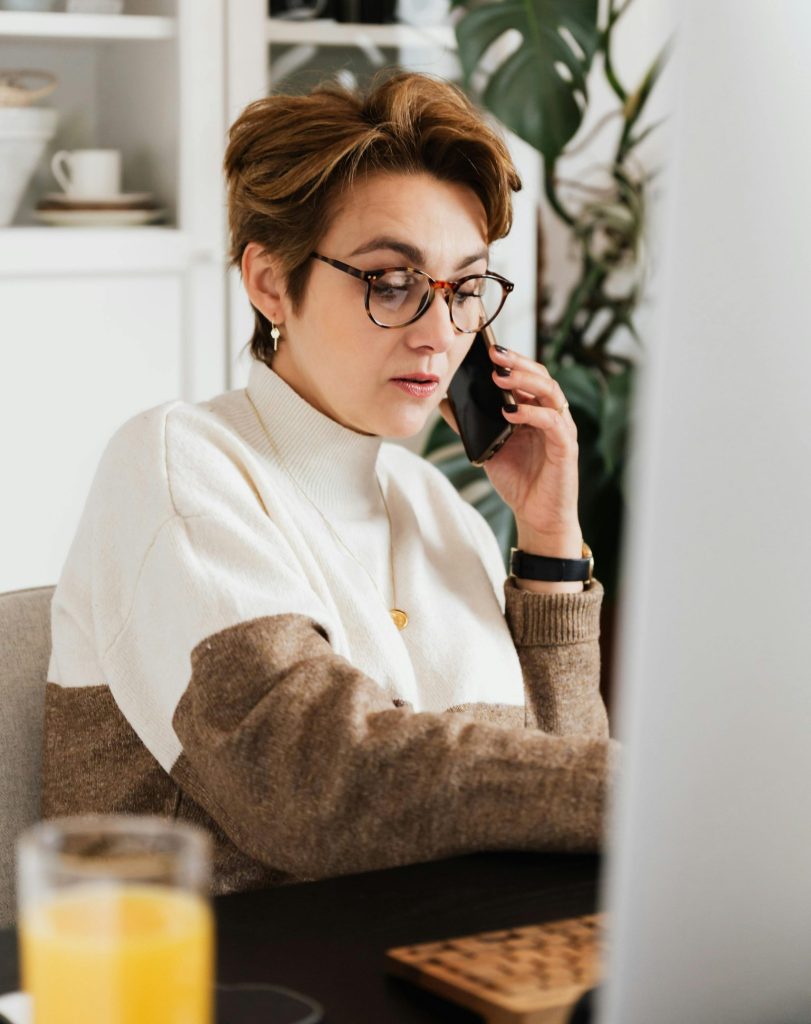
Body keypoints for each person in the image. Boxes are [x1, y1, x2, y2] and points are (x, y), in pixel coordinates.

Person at [43, 72, 618, 895]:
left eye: (464, 289)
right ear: (271, 281)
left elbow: (556, 801)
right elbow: (314, 787)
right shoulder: (178, 463)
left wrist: (551, 544)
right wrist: (656, 788)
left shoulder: (434, 509)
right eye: (392, 282)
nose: (439, 331)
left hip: (446, 963)